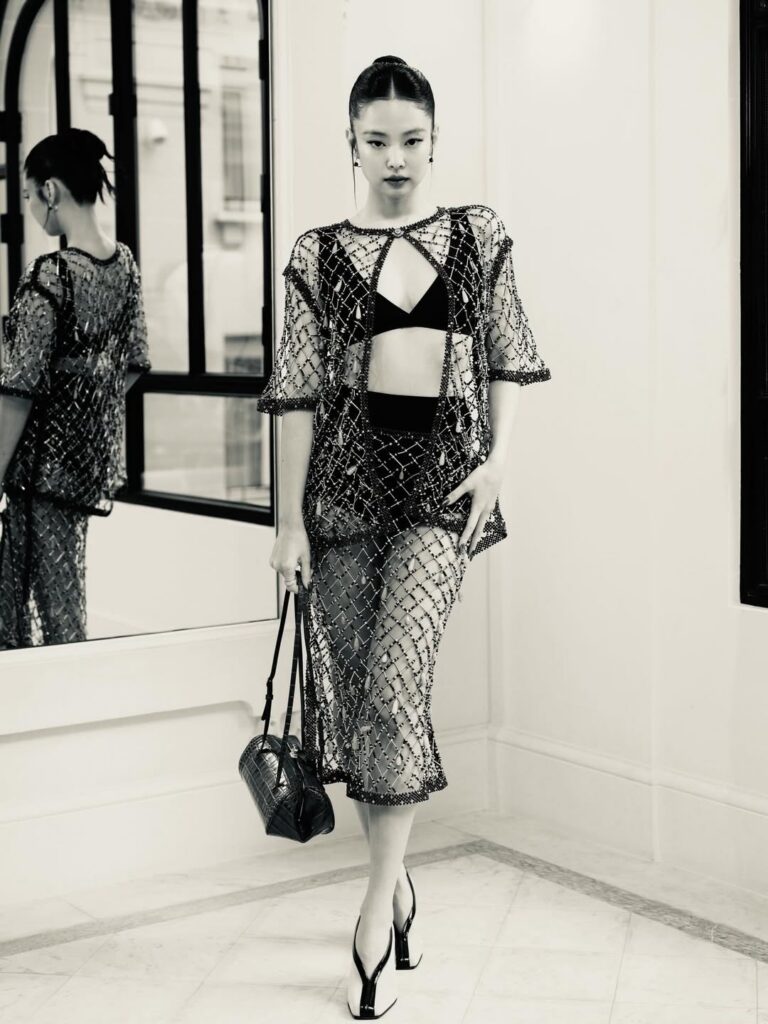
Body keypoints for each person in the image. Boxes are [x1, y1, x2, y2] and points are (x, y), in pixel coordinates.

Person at [256, 55, 551, 1019]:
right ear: (350, 143)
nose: (396, 158)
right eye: (377, 140)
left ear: (435, 141)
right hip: (342, 496)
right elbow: (297, 398)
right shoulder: (317, 254)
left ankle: (373, 916)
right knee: (362, 710)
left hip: (439, 492)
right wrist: (287, 524)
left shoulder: (476, 235)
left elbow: (507, 357)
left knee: (394, 691)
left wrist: (497, 461)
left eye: (412, 140)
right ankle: (402, 886)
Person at [0, 128, 151, 649]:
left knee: (40, 606)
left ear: (50, 191)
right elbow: (133, 363)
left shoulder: (50, 274)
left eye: (28, 195)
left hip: (38, 468)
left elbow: (18, 389)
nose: (30, 208)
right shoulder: (123, 264)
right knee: (50, 591)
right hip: (84, 462)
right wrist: (85, 413)